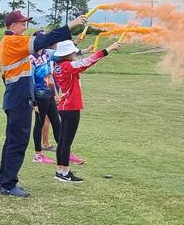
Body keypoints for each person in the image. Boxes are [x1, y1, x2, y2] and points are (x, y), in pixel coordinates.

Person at [0, 10, 87, 197]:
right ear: (13, 26)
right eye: (22, 23)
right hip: (19, 97)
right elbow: (44, 40)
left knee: (11, 140)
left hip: (15, 96)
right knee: (18, 141)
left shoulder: (7, 42)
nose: (25, 26)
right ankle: (8, 184)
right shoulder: (13, 41)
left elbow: (45, 46)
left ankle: (4, 180)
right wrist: (70, 25)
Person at [51, 36, 128, 183]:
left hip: (63, 106)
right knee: (66, 141)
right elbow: (87, 62)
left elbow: (80, 63)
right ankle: (65, 173)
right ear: (67, 54)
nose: (75, 54)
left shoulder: (58, 66)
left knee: (62, 141)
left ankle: (61, 171)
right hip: (71, 106)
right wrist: (108, 49)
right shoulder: (67, 66)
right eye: (72, 52)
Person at [29, 33, 61, 165]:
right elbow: (29, 81)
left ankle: (63, 151)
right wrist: (33, 102)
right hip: (39, 95)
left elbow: (62, 54)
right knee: (39, 123)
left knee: (57, 122)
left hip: (49, 93)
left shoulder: (47, 53)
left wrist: (83, 50)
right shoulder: (30, 58)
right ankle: (38, 154)